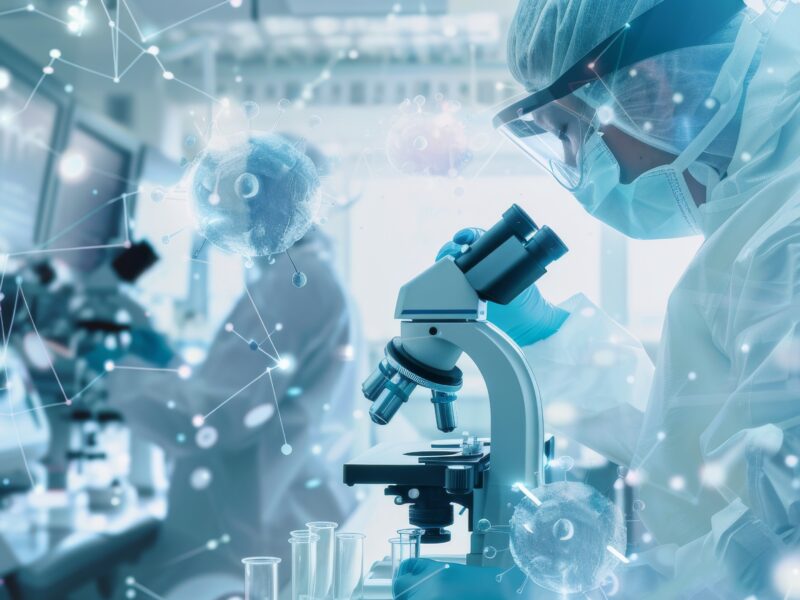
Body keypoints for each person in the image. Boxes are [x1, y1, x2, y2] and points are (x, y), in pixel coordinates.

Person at [396, 0, 800, 598]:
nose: (575, 166)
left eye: (567, 132)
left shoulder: (783, 240)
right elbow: (713, 453)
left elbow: (777, 561)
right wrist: (552, 336)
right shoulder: (757, 203)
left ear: (652, 92)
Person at [107, 140, 361, 599]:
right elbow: (241, 393)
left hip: (255, 535)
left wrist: (112, 372)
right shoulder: (304, 277)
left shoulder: (290, 285)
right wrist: (167, 363)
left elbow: (213, 418)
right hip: (278, 519)